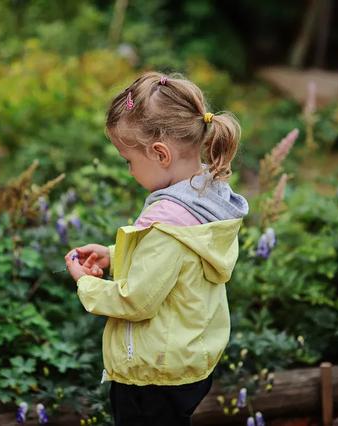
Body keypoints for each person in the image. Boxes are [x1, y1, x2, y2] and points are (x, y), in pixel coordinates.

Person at [64, 71, 249, 426]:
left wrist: (85, 284)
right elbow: (176, 264)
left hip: (153, 377)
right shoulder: (203, 199)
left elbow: (135, 300)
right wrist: (114, 254)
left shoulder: (168, 222)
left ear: (160, 153)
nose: (130, 171)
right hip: (183, 365)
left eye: (128, 161)